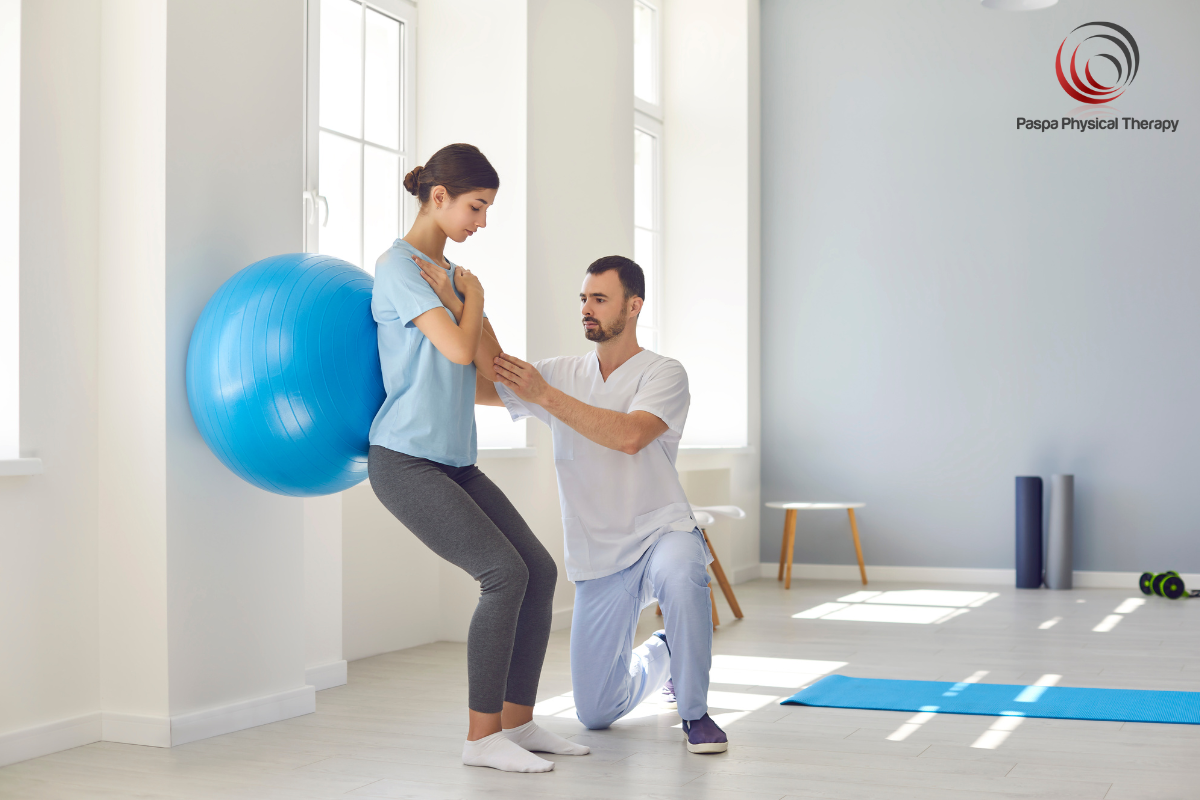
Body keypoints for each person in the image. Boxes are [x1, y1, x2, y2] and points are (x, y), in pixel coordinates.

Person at [368, 143, 587, 773]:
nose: (481, 222)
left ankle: (517, 724)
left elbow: (489, 364)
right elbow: (459, 353)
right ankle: (480, 737)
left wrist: (468, 294)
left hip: (453, 461)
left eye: (487, 208)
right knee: (503, 574)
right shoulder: (398, 268)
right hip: (405, 460)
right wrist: (476, 295)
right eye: (476, 206)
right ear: (439, 197)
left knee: (538, 570)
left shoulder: (453, 277)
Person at [477, 255, 729, 754]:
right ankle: (664, 652)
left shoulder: (664, 373)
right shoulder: (560, 373)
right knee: (594, 713)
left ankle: (695, 713)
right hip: (599, 552)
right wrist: (474, 311)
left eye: (599, 299)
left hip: (662, 530)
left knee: (682, 574)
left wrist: (545, 397)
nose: (587, 309)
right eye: (584, 299)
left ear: (633, 306)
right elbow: (488, 381)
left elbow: (632, 436)